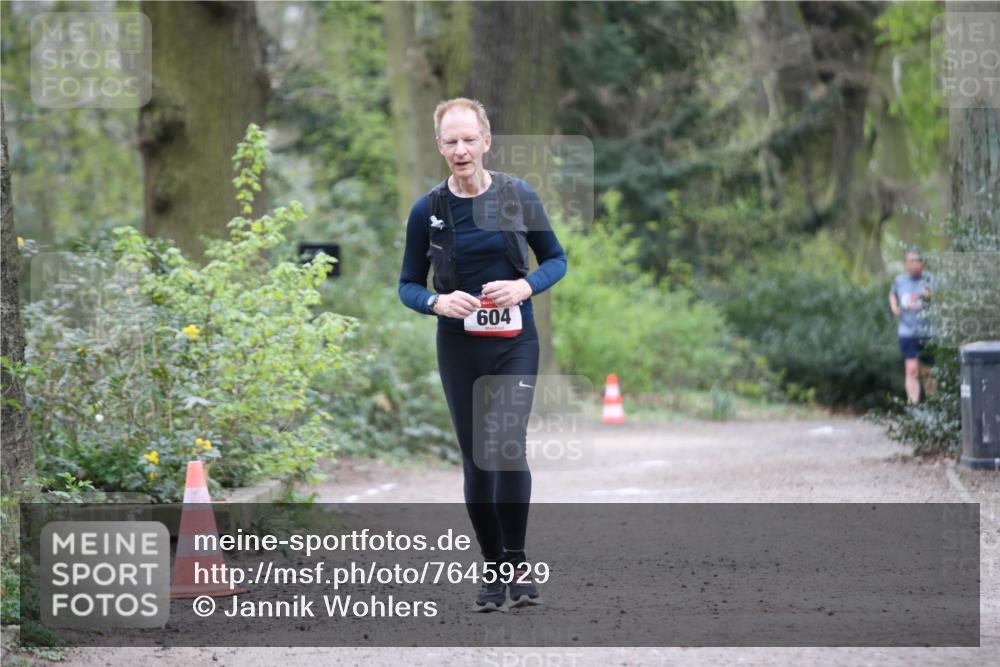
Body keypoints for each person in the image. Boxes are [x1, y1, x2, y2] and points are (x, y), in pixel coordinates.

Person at [398, 98, 567, 612]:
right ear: (439, 146)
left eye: (469, 139)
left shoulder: (518, 196)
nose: (460, 149)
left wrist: (525, 288)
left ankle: (517, 562)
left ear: (486, 140)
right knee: (476, 460)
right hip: (459, 347)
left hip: (515, 341)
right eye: (450, 141)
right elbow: (407, 284)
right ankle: (494, 571)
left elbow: (556, 259)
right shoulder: (428, 210)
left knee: (507, 445)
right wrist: (436, 301)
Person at [889, 248, 935, 404]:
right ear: (906, 263)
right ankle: (913, 405)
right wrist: (894, 306)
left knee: (928, 372)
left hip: (927, 332)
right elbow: (892, 294)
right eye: (911, 261)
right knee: (911, 369)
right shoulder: (900, 281)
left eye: (918, 260)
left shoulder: (930, 279)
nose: (915, 264)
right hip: (907, 332)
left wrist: (931, 296)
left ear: (923, 263)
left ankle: (933, 406)